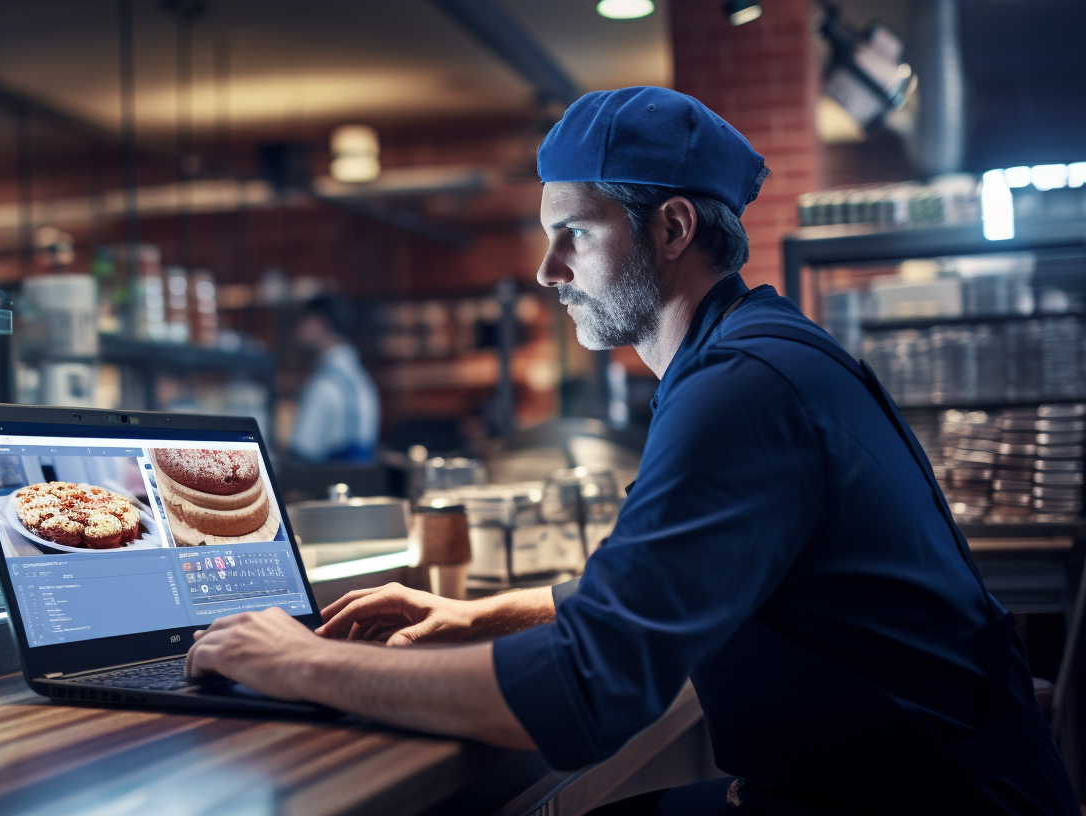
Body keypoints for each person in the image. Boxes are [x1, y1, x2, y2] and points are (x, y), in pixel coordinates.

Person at [185, 88, 1077, 815]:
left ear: (674, 229)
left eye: (573, 232)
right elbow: (687, 579)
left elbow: (588, 685)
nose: (547, 271)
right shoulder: (752, 350)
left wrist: (292, 661)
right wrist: (478, 614)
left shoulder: (738, 390)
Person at [287, 294, 380, 463]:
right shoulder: (363, 380)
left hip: (325, 485)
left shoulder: (324, 384)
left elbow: (301, 455)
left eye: (300, 322)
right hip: (359, 486)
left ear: (318, 323)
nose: (297, 331)